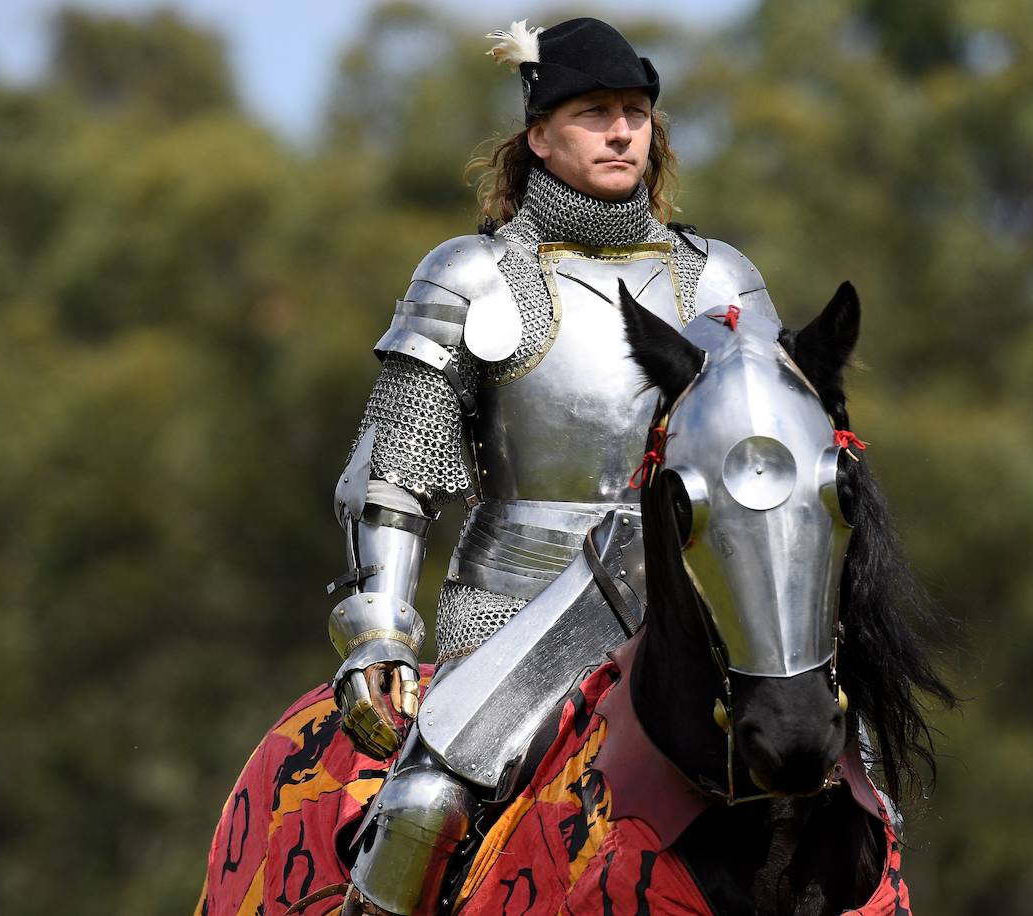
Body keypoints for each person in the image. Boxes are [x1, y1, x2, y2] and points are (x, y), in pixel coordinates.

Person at [197, 17, 778, 916]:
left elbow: (773, 463)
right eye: (595, 112)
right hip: (520, 618)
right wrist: (379, 632)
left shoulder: (722, 283)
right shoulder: (473, 277)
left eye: (636, 111)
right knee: (427, 802)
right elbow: (394, 475)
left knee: (841, 795)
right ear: (540, 134)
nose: (624, 130)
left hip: (698, 617)